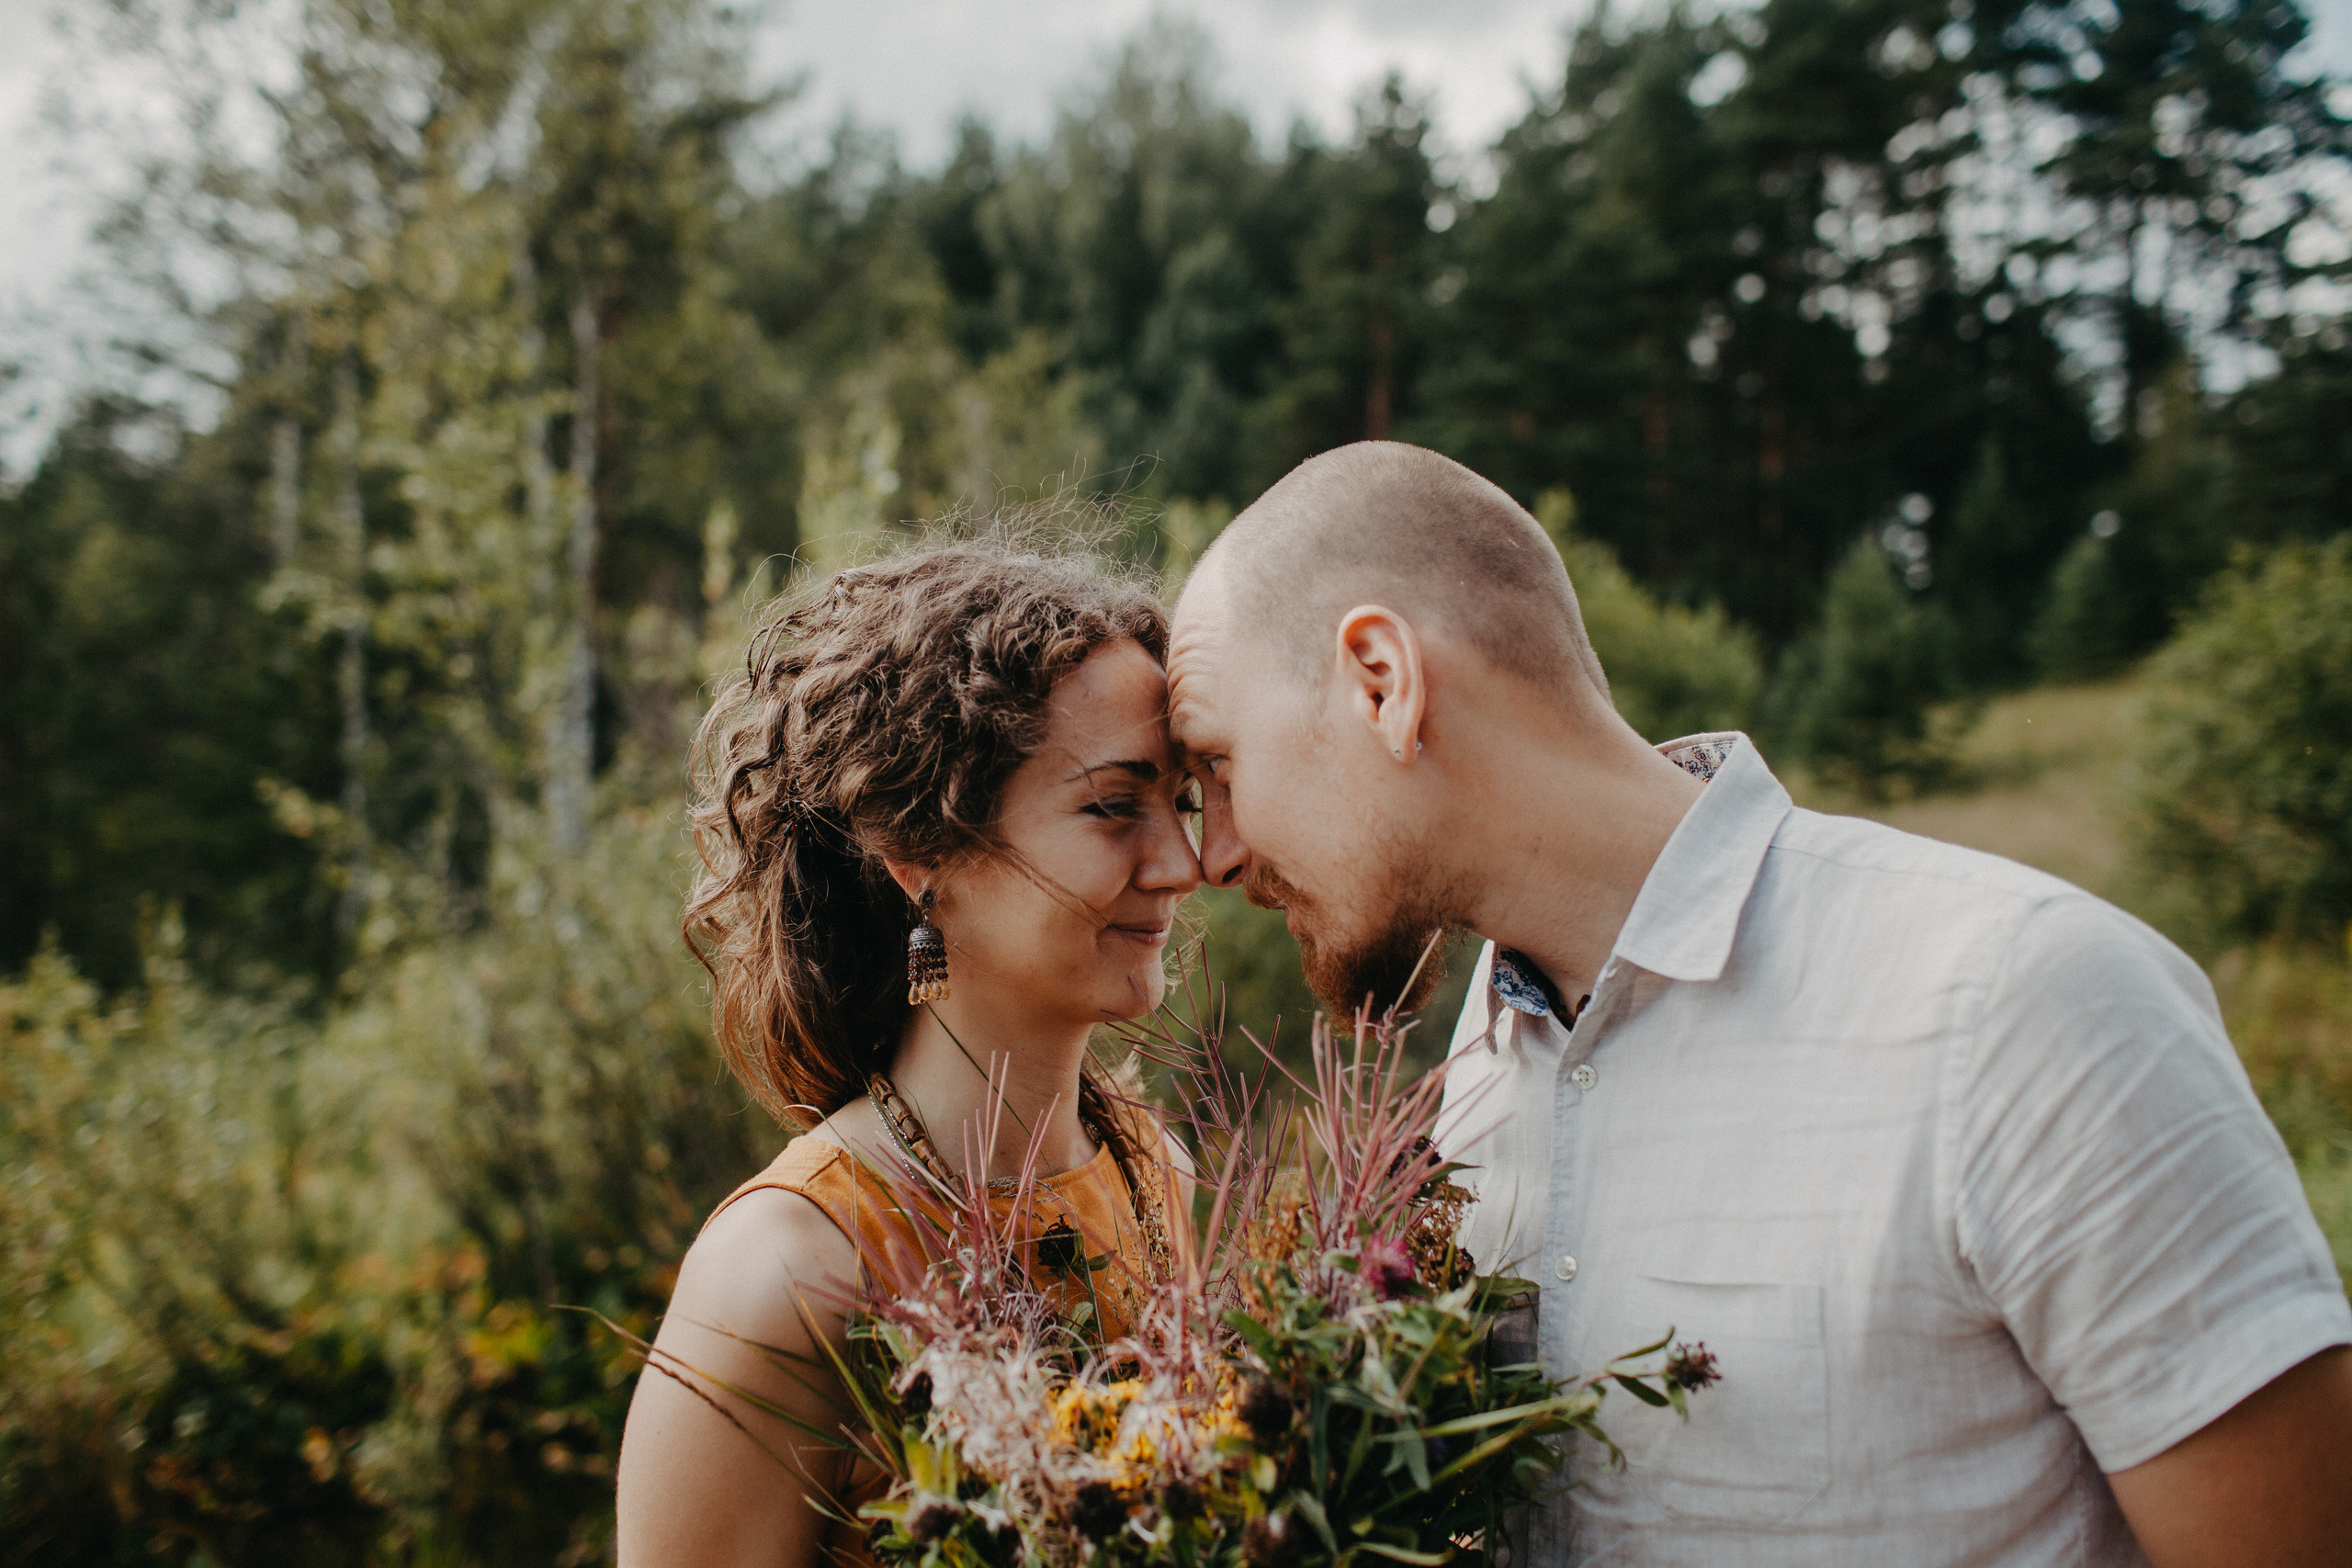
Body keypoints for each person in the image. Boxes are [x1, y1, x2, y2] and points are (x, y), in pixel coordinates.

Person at [1164, 440, 2352, 1567]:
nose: (1210, 855)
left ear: (1382, 681)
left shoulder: (2026, 1005)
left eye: (1216, 767)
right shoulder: (1456, 1106)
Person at [616, 541, 1203, 1568]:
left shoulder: (1156, 1178)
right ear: (922, 858)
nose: (1182, 863)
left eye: (1182, 804)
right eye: (1115, 806)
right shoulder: (785, 1276)